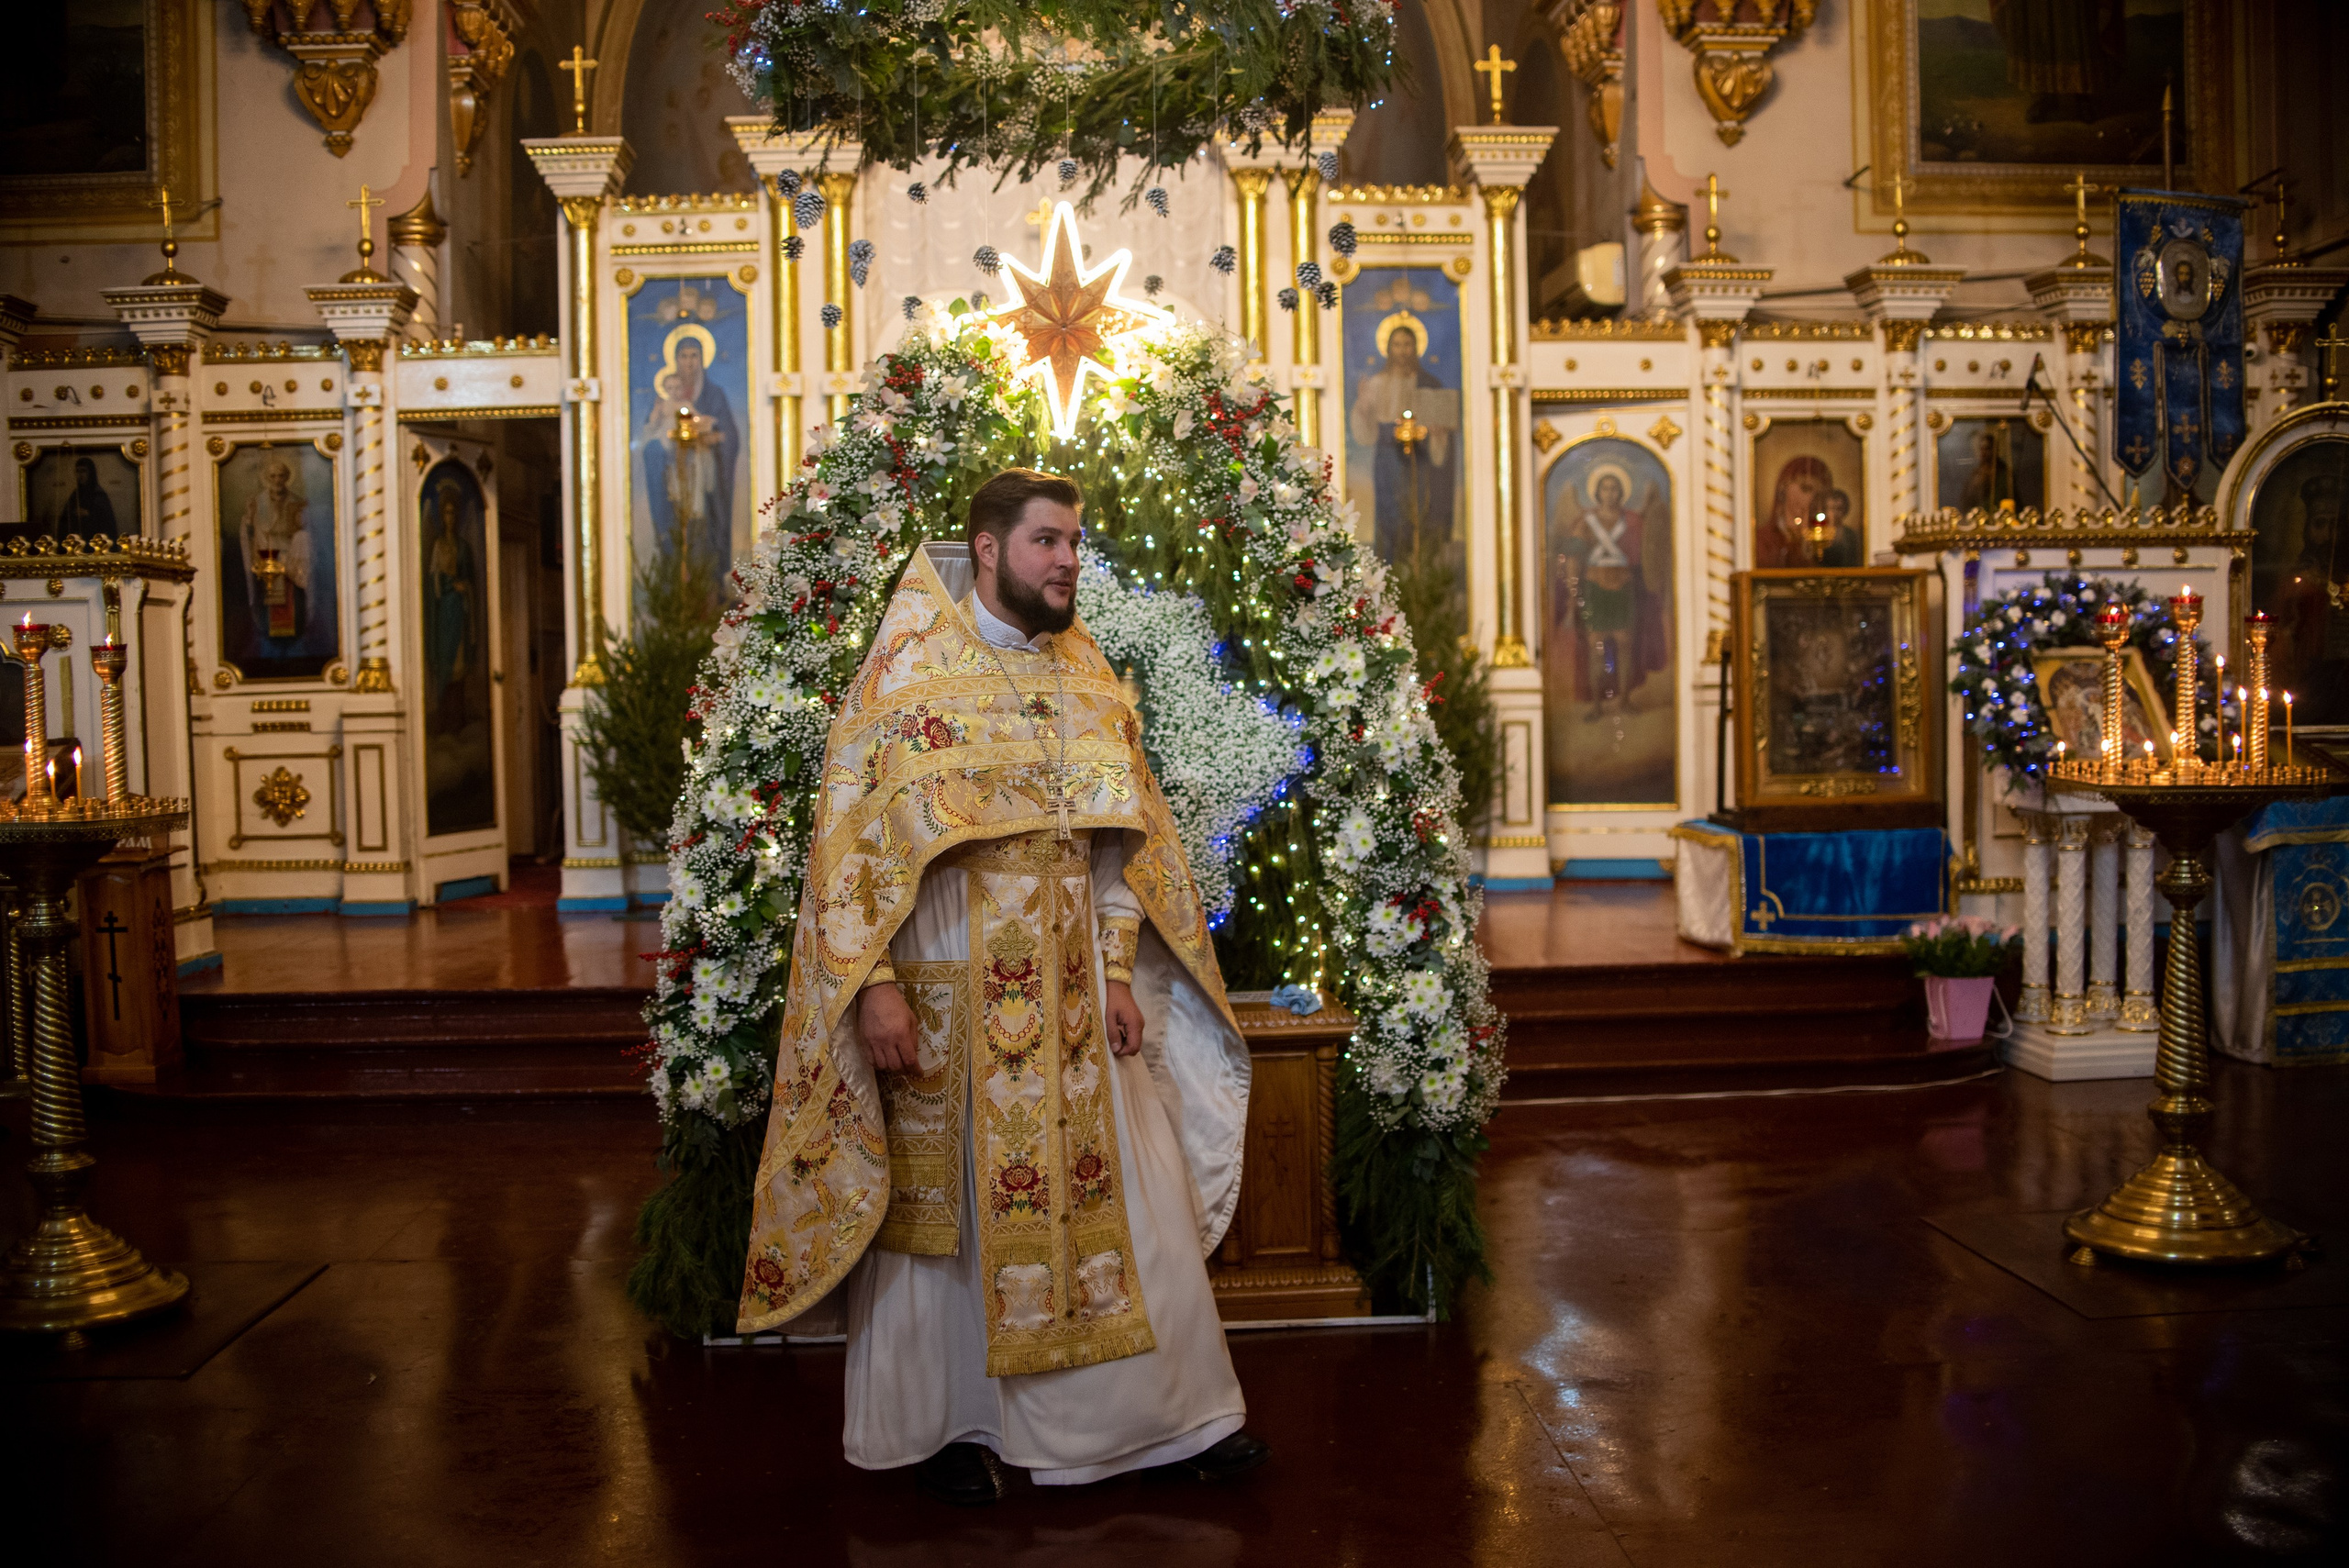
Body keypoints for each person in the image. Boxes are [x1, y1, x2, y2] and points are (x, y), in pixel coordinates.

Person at [737, 468, 1268, 1504]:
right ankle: (937, 1430)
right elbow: (847, 848)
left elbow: (1124, 845)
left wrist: (1118, 968)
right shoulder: (906, 672)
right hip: (948, 990)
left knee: (1132, 1207)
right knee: (943, 1233)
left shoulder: (1087, 674)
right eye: (1047, 541)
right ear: (987, 548)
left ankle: (1168, 1424)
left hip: (1070, 997)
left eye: (1073, 541)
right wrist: (876, 986)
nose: (1068, 559)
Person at [1553, 468, 1668, 718]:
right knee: (1596, 649)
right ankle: (1597, 705)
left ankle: (1624, 701)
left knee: (1625, 646)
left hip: (1624, 589)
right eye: (1605, 488)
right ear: (1597, 492)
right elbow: (1573, 558)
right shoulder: (1586, 522)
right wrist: (1573, 592)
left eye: (1614, 488)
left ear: (1621, 493)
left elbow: (1650, 552)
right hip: (1595, 589)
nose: (1610, 493)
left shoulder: (1633, 522)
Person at [1348, 319, 1458, 565]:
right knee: (1390, 516)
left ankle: (1418, 575)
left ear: (1416, 348)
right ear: (1388, 348)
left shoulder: (1429, 384)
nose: (1402, 351)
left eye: (1407, 344)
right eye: (1397, 345)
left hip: (1419, 461)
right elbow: (1366, 433)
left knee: (1418, 514)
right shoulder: (1376, 383)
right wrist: (1364, 408)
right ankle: (1390, 572)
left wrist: (1438, 433)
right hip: (1388, 460)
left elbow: (1441, 433)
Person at [424, 473, 478, 738]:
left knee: (460, 666)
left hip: (460, 611)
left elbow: (471, 580)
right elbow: (433, 582)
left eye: (454, 513)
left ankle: (458, 719)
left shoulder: (464, 547)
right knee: (446, 665)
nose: (450, 518)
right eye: (446, 513)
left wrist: (465, 588)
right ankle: (444, 719)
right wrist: (448, 587)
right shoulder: (438, 546)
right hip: (445, 612)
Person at [239, 456, 312, 640]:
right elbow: (248, 531)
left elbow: (306, 531)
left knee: (292, 598)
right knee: (266, 600)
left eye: (281, 476)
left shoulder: (297, 502)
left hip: (290, 558)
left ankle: (293, 634)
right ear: (268, 478)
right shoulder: (256, 502)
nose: (277, 480)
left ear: (287, 477)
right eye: (273, 476)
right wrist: (248, 519)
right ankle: (267, 635)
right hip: (265, 556)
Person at [1754, 454, 1832, 567]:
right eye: (1805, 488)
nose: (1812, 499)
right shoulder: (1762, 540)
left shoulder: (1826, 540)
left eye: (1819, 494)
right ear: (1783, 489)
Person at [50, 456, 119, 538]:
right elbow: (65, 519)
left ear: (91, 473)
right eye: (78, 471)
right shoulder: (75, 494)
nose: (80, 475)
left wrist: (88, 514)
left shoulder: (99, 494)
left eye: (83, 471)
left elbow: (107, 522)